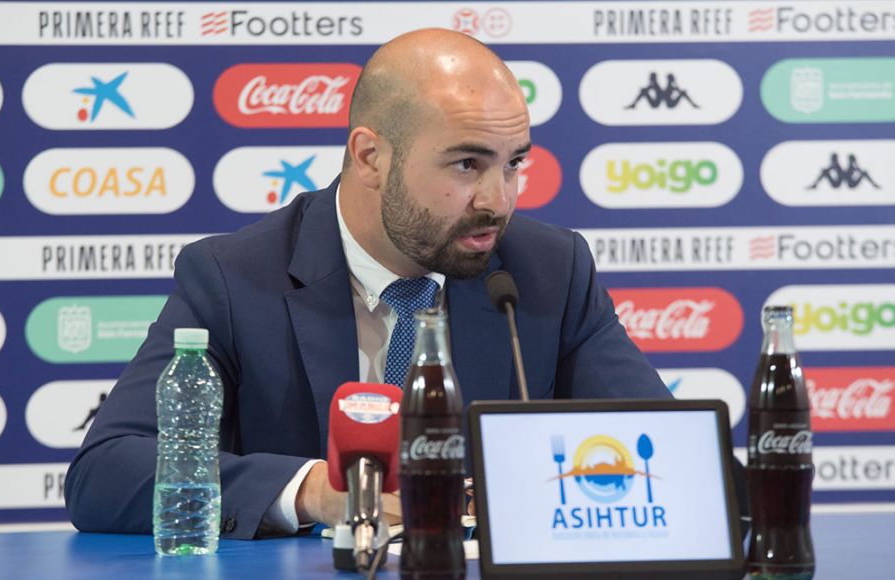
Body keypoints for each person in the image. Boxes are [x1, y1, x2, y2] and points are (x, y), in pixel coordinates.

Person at [64, 28, 671, 540]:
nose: (498, 201)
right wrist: (315, 494)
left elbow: (666, 454)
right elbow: (105, 472)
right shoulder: (234, 278)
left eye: (515, 163)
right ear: (369, 156)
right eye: (467, 164)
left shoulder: (548, 270)